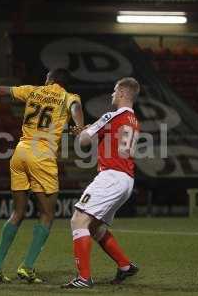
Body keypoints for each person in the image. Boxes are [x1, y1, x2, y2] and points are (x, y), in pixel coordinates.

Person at [0, 68, 84, 283]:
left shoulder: (32, 90)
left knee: (17, 213)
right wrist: (79, 125)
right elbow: (75, 107)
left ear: (49, 79)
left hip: (20, 152)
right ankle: (27, 267)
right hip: (42, 155)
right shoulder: (68, 96)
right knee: (47, 215)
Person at [62, 77, 140, 289]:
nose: (112, 94)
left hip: (111, 177)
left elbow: (83, 141)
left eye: (115, 91)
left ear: (123, 93)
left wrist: (83, 131)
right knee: (95, 228)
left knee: (78, 221)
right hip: (126, 179)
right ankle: (125, 266)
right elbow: (110, 143)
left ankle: (84, 278)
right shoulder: (134, 120)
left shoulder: (111, 115)